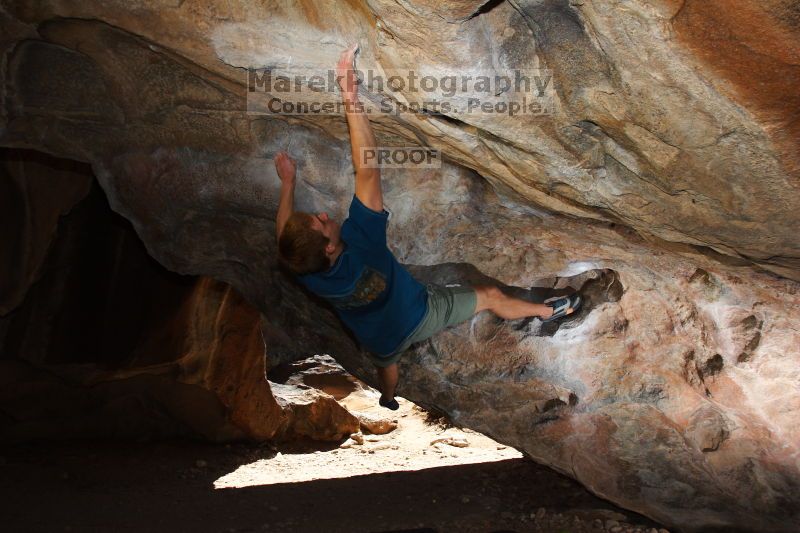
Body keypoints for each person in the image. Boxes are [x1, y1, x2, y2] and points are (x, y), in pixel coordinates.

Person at [274, 44, 580, 410]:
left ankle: (388, 399)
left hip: (378, 336)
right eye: (321, 223)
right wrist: (349, 94)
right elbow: (368, 169)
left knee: (387, 365)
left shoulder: (305, 268)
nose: (324, 216)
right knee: (490, 296)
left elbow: (283, 238)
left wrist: (288, 184)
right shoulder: (363, 242)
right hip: (419, 313)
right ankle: (550, 312)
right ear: (328, 247)